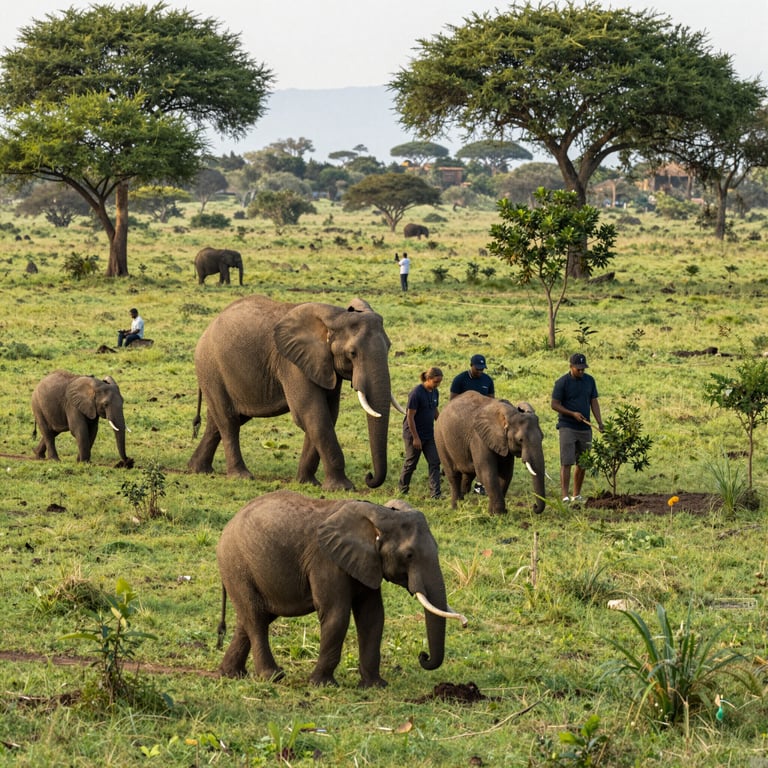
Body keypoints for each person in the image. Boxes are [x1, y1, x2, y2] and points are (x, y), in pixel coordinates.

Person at [551, 352, 603, 504]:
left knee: (583, 462)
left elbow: (594, 401)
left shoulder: (589, 381)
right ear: (571, 367)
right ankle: (565, 495)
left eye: (583, 369)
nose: (581, 371)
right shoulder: (562, 382)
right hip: (567, 426)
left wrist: (599, 422)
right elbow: (554, 404)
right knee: (567, 461)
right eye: (578, 369)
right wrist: (572, 413)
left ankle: (576, 494)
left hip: (585, 428)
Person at [450, 353, 495, 494]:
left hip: (481, 421)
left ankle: (480, 484)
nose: (480, 371)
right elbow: (453, 402)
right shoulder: (460, 379)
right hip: (463, 421)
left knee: (483, 453)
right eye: (478, 369)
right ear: (471, 366)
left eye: (482, 369)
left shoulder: (488, 380)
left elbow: (491, 401)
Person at [399, 366, 443, 499]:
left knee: (435, 462)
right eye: (436, 382)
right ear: (428, 379)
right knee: (411, 462)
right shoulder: (416, 393)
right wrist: (415, 438)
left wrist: (441, 424)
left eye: (439, 382)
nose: (438, 384)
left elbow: (434, 409)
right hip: (414, 434)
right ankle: (402, 489)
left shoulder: (435, 392)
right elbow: (410, 417)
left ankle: (435, 494)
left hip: (429, 434)